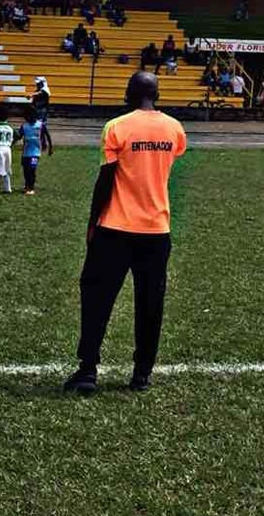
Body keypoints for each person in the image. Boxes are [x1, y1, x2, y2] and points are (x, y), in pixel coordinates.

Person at [63, 71, 187, 395]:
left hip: (115, 228)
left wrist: (92, 222)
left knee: (96, 299)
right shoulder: (174, 129)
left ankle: (88, 370)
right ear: (156, 94)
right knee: (150, 303)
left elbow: (106, 179)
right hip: (157, 230)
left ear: (131, 91)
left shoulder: (117, 126)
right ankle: (142, 374)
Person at [18, 105, 52, 195]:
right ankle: (27, 185)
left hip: (36, 153)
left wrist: (49, 147)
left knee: (32, 169)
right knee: (26, 170)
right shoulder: (24, 126)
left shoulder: (40, 125)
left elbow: (47, 135)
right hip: (25, 153)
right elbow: (19, 136)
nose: (29, 118)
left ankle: (31, 187)